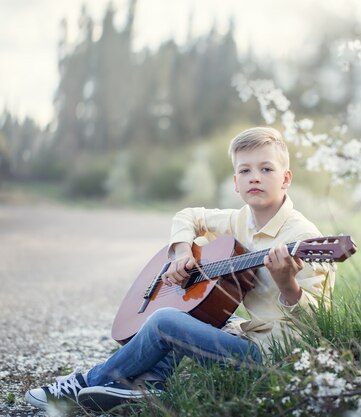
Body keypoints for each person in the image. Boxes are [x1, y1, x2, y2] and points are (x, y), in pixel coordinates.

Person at [25, 126, 334, 412]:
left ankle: (86, 383)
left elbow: (317, 325)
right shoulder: (241, 220)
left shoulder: (303, 238)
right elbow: (188, 216)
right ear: (236, 183)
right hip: (249, 334)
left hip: (274, 357)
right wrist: (182, 252)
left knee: (164, 322)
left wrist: (288, 286)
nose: (255, 177)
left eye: (266, 168)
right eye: (245, 170)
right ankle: (151, 384)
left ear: (286, 178)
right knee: (200, 309)